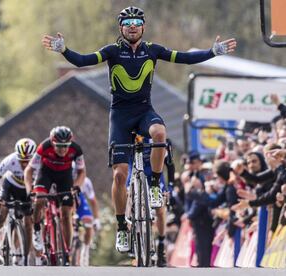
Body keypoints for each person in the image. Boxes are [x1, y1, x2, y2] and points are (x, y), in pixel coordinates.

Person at [41, 6, 237, 252]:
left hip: (145, 110)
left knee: (159, 134)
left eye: (136, 21)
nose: (132, 25)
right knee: (120, 175)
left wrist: (212, 52)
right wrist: (64, 50)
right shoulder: (112, 51)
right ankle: (122, 227)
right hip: (120, 116)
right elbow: (82, 61)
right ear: (121, 28)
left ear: (143, 26)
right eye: (127, 22)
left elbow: (185, 58)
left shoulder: (153, 50)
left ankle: (154, 184)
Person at [24, 126, 86, 264]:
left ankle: (67, 250)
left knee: (66, 213)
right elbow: (29, 170)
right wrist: (30, 190)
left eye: (65, 146)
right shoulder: (44, 147)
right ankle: (36, 230)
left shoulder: (76, 149)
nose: (63, 149)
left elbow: (82, 172)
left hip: (65, 176)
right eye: (59, 146)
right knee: (39, 200)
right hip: (46, 173)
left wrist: (76, 186)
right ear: (52, 143)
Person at [125, 136, 174, 267]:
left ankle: (161, 244)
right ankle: (131, 236)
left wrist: (170, 187)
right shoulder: (128, 135)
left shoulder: (158, 137)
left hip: (154, 173)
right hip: (134, 170)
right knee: (128, 198)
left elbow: (169, 164)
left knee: (160, 207)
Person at [0, 138, 37, 264]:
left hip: (26, 189)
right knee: (3, 211)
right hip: (10, 186)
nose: (25, 164)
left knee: (28, 223)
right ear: (17, 156)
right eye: (22, 160)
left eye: (28, 161)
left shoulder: (38, 162)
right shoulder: (10, 160)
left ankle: (23, 256)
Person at [72, 163, 101, 266]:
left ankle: (86, 249)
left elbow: (93, 201)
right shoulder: (64, 178)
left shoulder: (86, 182)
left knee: (89, 222)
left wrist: (96, 219)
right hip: (69, 203)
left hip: (80, 202)